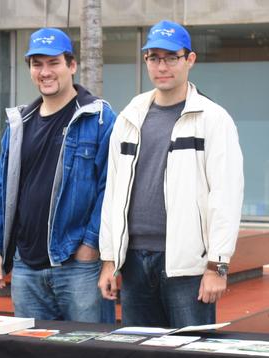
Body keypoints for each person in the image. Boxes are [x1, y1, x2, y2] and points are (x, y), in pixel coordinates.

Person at [98, 20, 244, 328]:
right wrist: (110, 259)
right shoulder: (129, 117)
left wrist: (217, 266)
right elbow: (113, 193)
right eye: (154, 57)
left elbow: (226, 196)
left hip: (188, 267)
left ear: (190, 60)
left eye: (171, 57)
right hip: (135, 262)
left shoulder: (213, 119)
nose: (161, 66)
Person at [0, 28, 117, 323]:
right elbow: (1, 189)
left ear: (72, 65)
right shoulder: (19, 125)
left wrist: (90, 246)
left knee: (90, 356)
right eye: (37, 64)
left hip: (77, 266)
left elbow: (111, 188)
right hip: (26, 266)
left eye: (53, 62)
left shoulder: (99, 118)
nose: (45, 72)